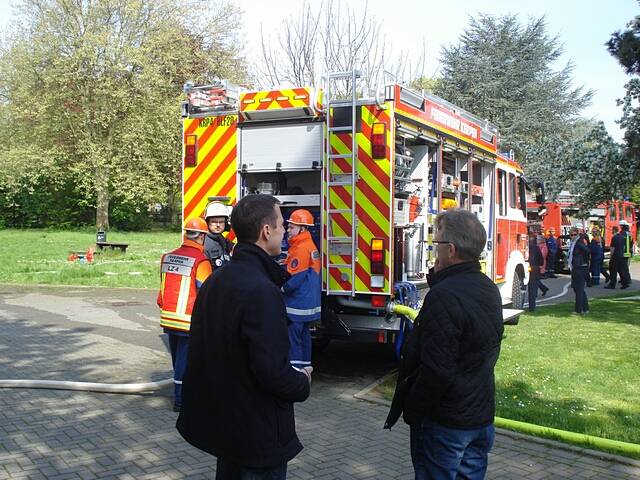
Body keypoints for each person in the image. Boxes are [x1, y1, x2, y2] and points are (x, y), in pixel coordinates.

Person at [177, 194, 311, 480]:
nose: (282, 233)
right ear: (266, 231)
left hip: (228, 432)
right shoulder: (262, 291)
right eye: (279, 226)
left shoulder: (216, 280)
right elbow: (272, 372)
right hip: (258, 437)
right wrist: (302, 382)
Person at [385, 208, 504, 480]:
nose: (433, 250)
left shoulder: (444, 295)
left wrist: (414, 410)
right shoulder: (487, 288)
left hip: (445, 423)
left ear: (450, 250)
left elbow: (437, 369)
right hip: (479, 417)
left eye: (436, 244)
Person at [157, 217, 213, 412]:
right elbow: (206, 293)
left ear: (185, 234)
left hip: (168, 317)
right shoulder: (201, 261)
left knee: (177, 359)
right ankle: (181, 400)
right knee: (185, 361)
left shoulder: (167, 257)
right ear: (203, 237)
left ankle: (180, 391)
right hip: (188, 320)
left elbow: (162, 290)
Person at [282, 209, 321, 371]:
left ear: (302, 228)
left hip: (297, 305)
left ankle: (295, 370)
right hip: (308, 303)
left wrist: (280, 288)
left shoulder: (301, 248)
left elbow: (295, 278)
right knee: (305, 337)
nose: (288, 230)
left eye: (292, 227)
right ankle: (305, 368)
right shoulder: (308, 245)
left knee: (293, 339)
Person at [203, 201, 234, 269]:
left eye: (221, 222)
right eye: (214, 222)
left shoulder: (220, 239)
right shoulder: (204, 244)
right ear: (207, 222)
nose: (218, 225)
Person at [568, 226, 590, 314]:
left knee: (579, 288)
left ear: (577, 234)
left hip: (580, 268)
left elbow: (587, 251)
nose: (572, 236)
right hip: (575, 268)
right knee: (578, 289)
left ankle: (578, 309)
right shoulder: (573, 242)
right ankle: (585, 308)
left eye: (574, 234)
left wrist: (583, 261)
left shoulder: (579, 241)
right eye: (571, 235)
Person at [527, 232, 546, 311]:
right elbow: (541, 260)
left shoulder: (526, 248)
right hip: (535, 269)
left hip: (526, 267)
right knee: (533, 289)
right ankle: (532, 307)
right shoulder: (536, 248)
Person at [614, 220, 634, 289]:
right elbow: (631, 243)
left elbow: (620, 243)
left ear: (622, 226)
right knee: (625, 267)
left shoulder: (622, 234)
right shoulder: (629, 233)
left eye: (620, 226)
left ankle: (625, 281)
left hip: (622, 253)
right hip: (628, 252)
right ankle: (627, 280)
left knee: (622, 268)